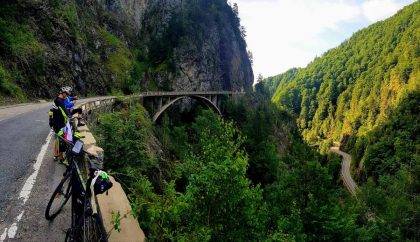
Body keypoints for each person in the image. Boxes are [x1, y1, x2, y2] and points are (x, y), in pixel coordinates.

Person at [49, 86, 73, 162]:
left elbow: (52, 112)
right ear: (63, 93)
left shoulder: (57, 99)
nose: (67, 96)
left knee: (58, 139)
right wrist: (70, 116)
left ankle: (56, 155)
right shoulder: (59, 101)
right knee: (62, 140)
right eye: (67, 95)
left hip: (56, 123)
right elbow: (64, 110)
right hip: (58, 124)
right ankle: (61, 157)